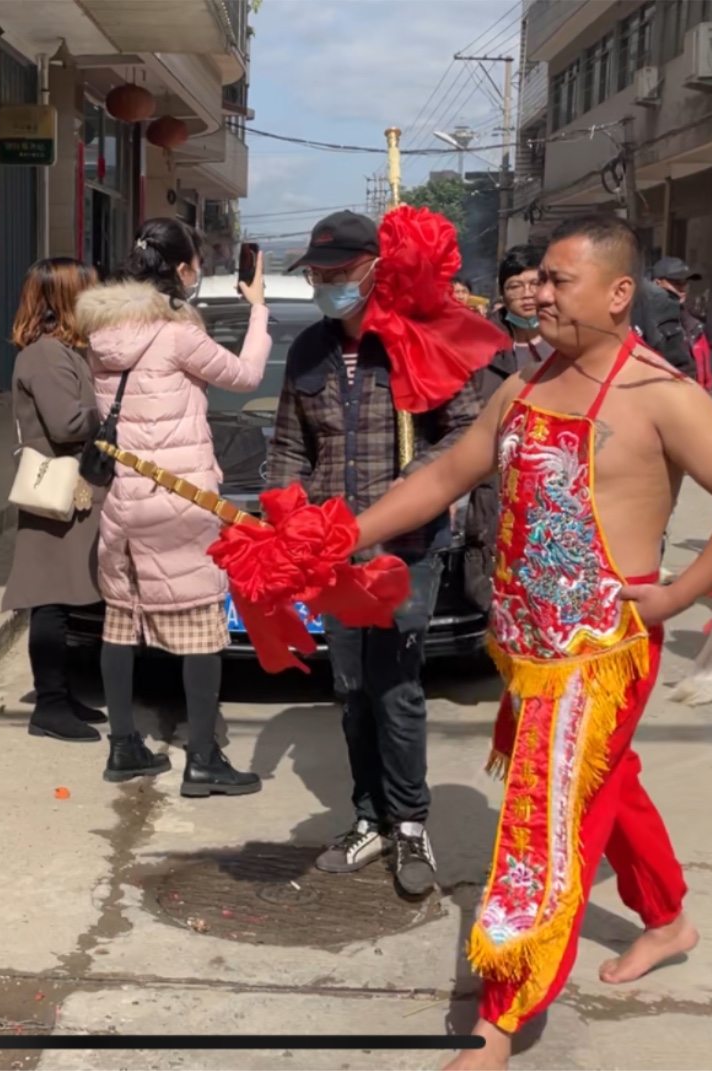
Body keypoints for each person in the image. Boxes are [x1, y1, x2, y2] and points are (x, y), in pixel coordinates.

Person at [346, 214, 712, 1070]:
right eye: (538, 278)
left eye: (557, 281)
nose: (537, 293)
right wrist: (345, 534)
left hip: (600, 652)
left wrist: (677, 597)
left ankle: (502, 1017)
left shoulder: (662, 395)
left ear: (620, 294)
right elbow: (444, 475)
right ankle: (668, 917)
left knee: (543, 825)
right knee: (607, 780)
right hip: (529, 644)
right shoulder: (526, 381)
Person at [265, 210, 483, 897]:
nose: (325, 284)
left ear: (374, 269)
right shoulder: (307, 354)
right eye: (317, 275)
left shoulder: (419, 344)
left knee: (397, 687)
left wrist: (407, 500)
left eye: (337, 273)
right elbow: (288, 451)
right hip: (328, 555)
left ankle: (410, 821)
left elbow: (467, 437)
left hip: (404, 549)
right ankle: (367, 816)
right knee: (352, 685)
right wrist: (287, 523)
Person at [80, 218, 269, 792]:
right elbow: (246, 376)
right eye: (197, 264)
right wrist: (256, 309)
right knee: (201, 630)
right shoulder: (176, 333)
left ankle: (124, 749)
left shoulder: (102, 332)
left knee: (119, 621)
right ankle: (205, 760)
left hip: (125, 496)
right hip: (180, 499)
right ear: (183, 270)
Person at [1, 258, 109, 740]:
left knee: (62, 598)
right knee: (49, 599)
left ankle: (60, 696)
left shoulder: (64, 351)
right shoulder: (46, 355)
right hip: (56, 491)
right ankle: (48, 704)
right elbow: (66, 423)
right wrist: (108, 411)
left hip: (71, 489)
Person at [462, 246, 546, 613]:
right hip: (496, 486)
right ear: (502, 294)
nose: (527, 294)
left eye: (534, 283)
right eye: (516, 286)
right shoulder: (480, 347)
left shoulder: (574, 344)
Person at [631, 256, 697, 377]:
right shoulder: (642, 318)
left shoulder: (694, 324)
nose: (683, 289)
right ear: (657, 283)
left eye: (685, 283)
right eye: (677, 283)